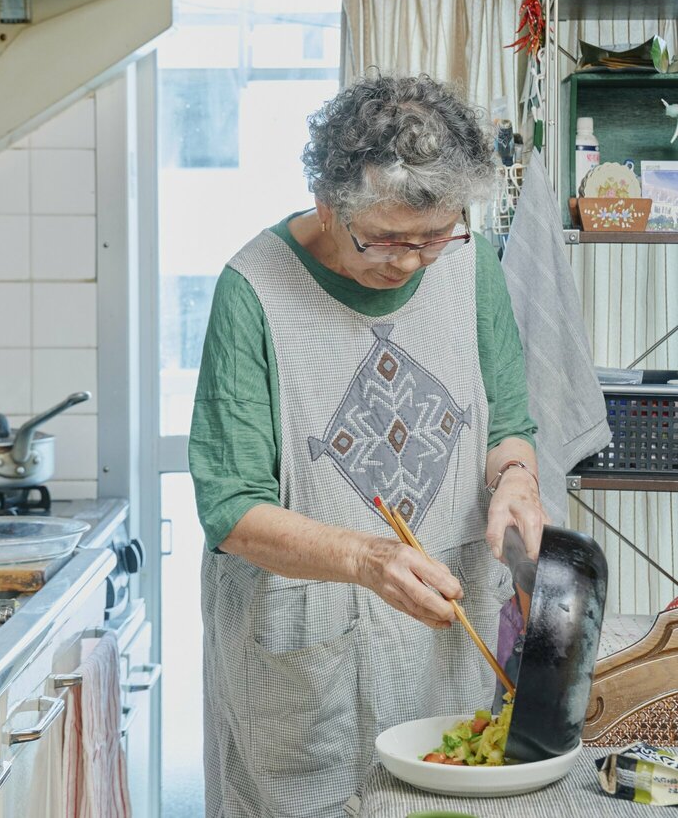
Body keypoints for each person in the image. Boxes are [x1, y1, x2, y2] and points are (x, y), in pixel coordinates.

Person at [189, 73, 546, 818]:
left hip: (443, 644)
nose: (412, 262)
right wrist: (367, 557)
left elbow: (509, 419)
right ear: (328, 203)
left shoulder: (472, 262)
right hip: (306, 659)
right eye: (386, 239)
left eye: (434, 238)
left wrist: (516, 478)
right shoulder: (252, 290)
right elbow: (231, 507)